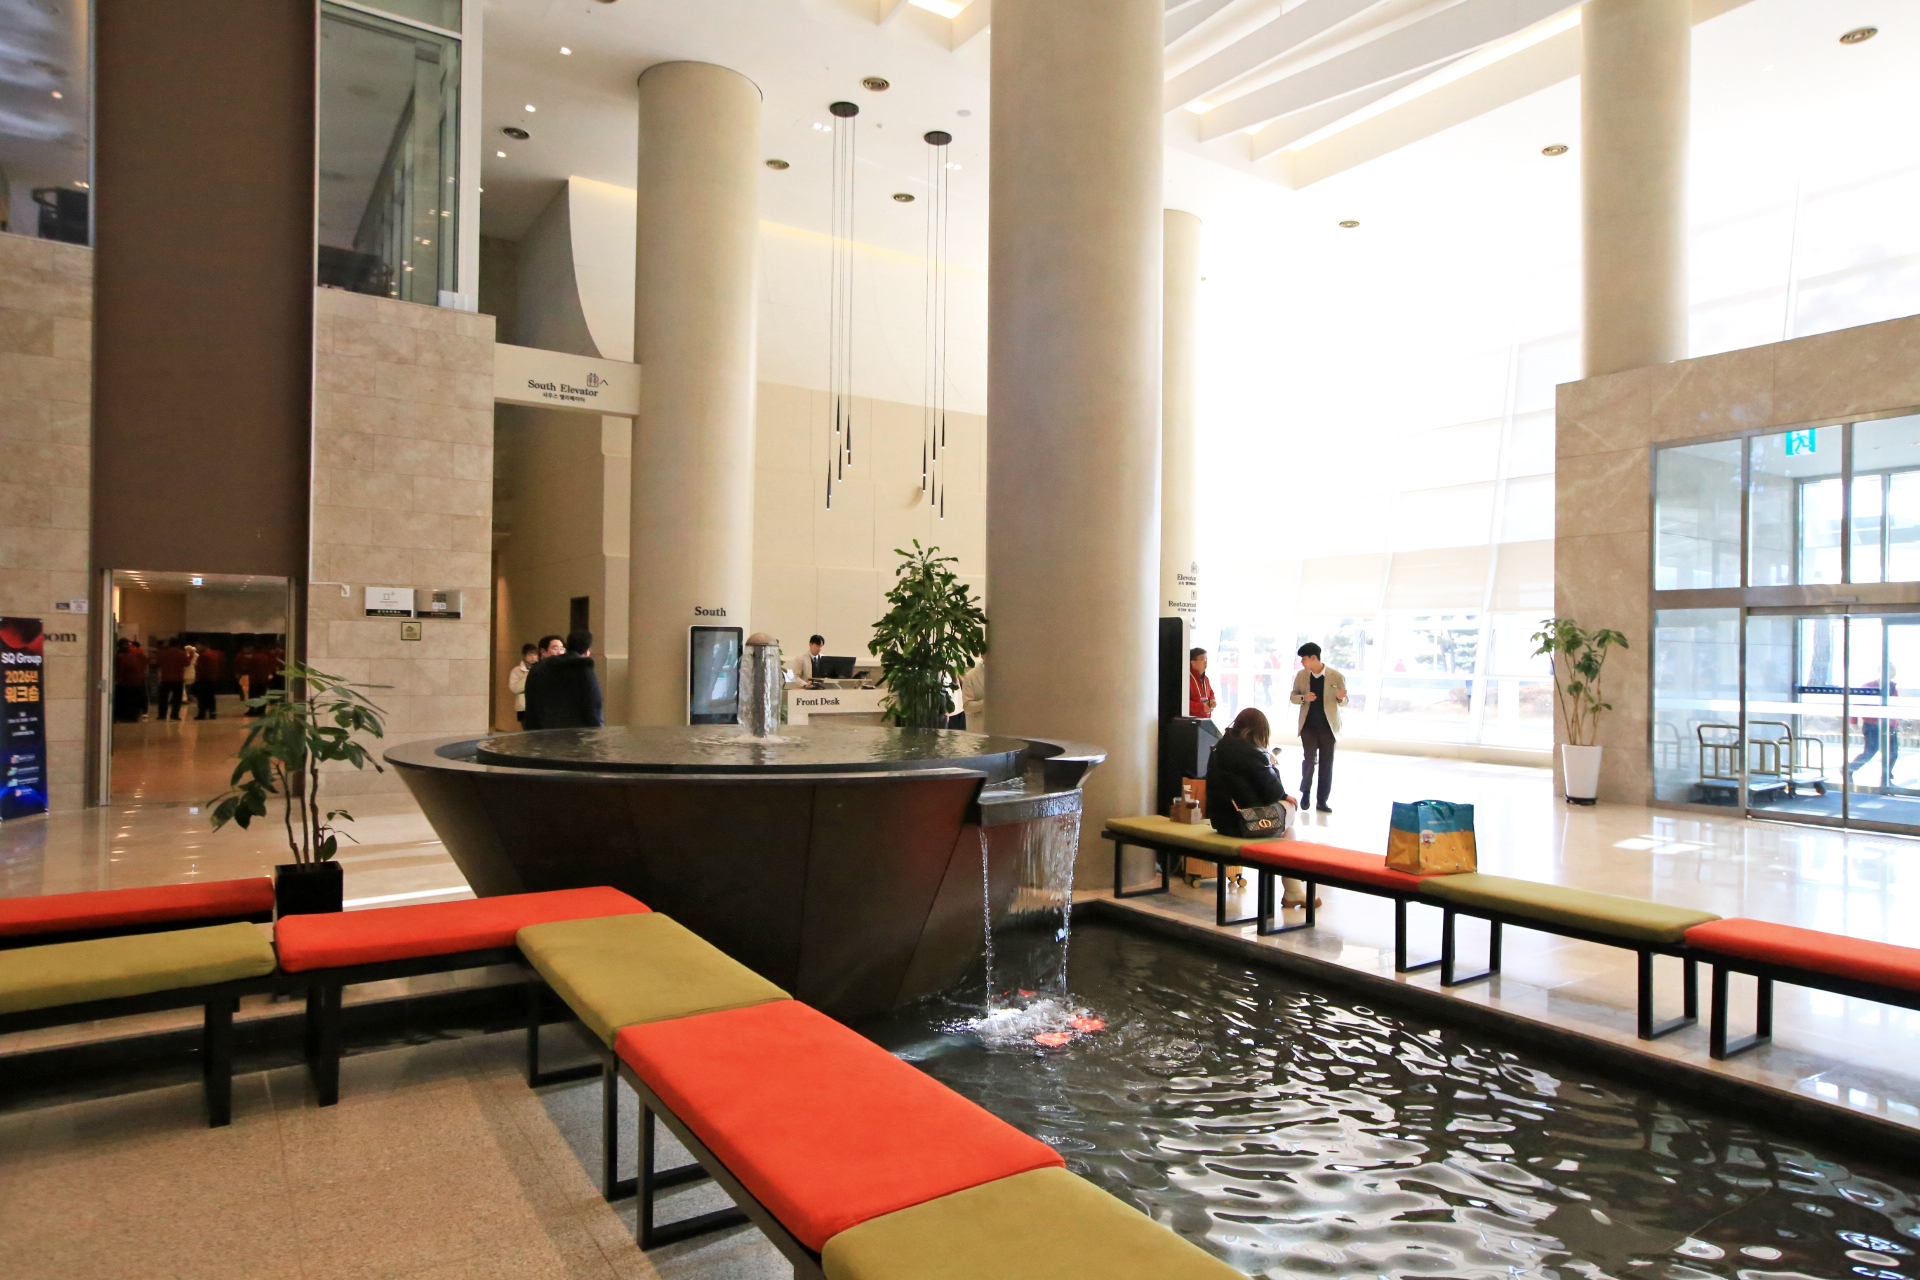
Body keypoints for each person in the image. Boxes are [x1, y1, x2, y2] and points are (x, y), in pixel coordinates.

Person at [1204, 708, 1309, 907]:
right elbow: (1272, 793)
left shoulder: (1219, 747)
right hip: (1245, 824)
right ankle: (1293, 891)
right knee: (1290, 809)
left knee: (1289, 833)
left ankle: (1294, 892)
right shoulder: (1255, 753)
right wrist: (1273, 765)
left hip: (1221, 822)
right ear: (1261, 731)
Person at [1290, 642, 1348, 813]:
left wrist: (1340, 698)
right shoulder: (1301, 675)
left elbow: (1344, 701)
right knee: (1309, 760)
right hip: (1308, 726)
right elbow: (1293, 697)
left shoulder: (1336, 676)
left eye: (1304, 659)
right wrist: (1303, 698)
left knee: (1326, 764)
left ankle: (1322, 800)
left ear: (1314, 658)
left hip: (1329, 727)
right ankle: (1306, 792)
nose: (1302, 662)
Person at [523, 629, 603, 730]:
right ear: (587, 652)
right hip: (575, 734)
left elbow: (531, 703)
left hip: (541, 732)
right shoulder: (583, 669)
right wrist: (597, 731)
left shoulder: (538, 669)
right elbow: (593, 706)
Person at [153, 637, 191, 721]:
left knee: (163, 698)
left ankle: (162, 715)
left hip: (165, 678)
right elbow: (187, 664)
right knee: (177, 699)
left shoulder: (162, 653)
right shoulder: (181, 653)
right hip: (178, 679)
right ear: (178, 645)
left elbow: (157, 663)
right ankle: (174, 715)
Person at [112, 638, 148, 723]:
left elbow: (120, 670)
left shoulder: (119, 656)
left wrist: (118, 679)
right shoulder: (138, 655)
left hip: (124, 683)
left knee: (122, 700)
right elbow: (145, 663)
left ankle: (121, 716)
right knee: (135, 701)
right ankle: (133, 716)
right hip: (138, 681)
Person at [508, 642, 539, 727]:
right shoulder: (516, 670)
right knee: (526, 729)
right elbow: (514, 688)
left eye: (535, 654)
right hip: (522, 707)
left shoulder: (541, 668)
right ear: (524, 656)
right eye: (530, 655)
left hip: (538, 706)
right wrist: (529, 675)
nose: (533, 657)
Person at [192, 644, 225, 719]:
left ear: (203, 645)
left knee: (202, 697)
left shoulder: (203, 655)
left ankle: (202, 713)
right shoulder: (217, 654)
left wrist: (197, 677)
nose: (196, 648)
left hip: (204, 679)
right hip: (213, 678)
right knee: (211, 696)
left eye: (198, 646)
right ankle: (212, 712)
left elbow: (201, 668)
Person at [957, 658, 987, 732]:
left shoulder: (1004, 675)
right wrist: (988, 703)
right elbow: (967, 706)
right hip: (979, 731)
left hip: (1002, 730)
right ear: (983, 656)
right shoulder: (970, 676)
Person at [1188, 647, 1217, 719]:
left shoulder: (1205, 679)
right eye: (1202, 659)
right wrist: (1202, 707)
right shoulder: (1187, 679)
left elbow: (1211, 693)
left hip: (1205, 719)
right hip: (1192, 721)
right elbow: (1182, 703)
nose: (1205, 662)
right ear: (1193, 662)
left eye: (1206, 659)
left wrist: (1212, 701)